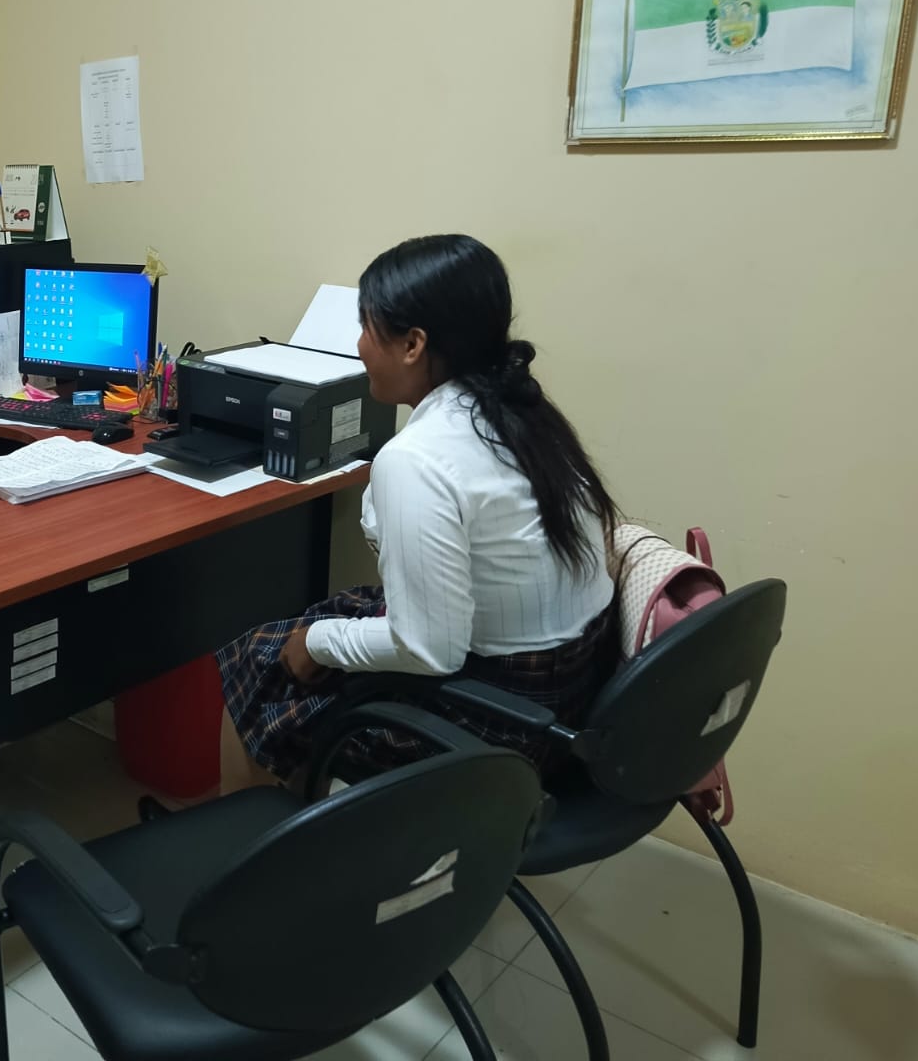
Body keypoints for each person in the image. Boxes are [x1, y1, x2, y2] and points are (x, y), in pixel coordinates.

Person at [215, 234, 619, 794]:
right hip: (571, 691)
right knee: (320, 620)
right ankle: (302, 818)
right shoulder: (526, 416)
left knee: (262, 665)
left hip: (493, 720)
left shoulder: (417, 459)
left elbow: (428, 649)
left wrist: (316, 643)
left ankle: (255, 839)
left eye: (366, 328)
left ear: (412, 344)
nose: (358, 346)